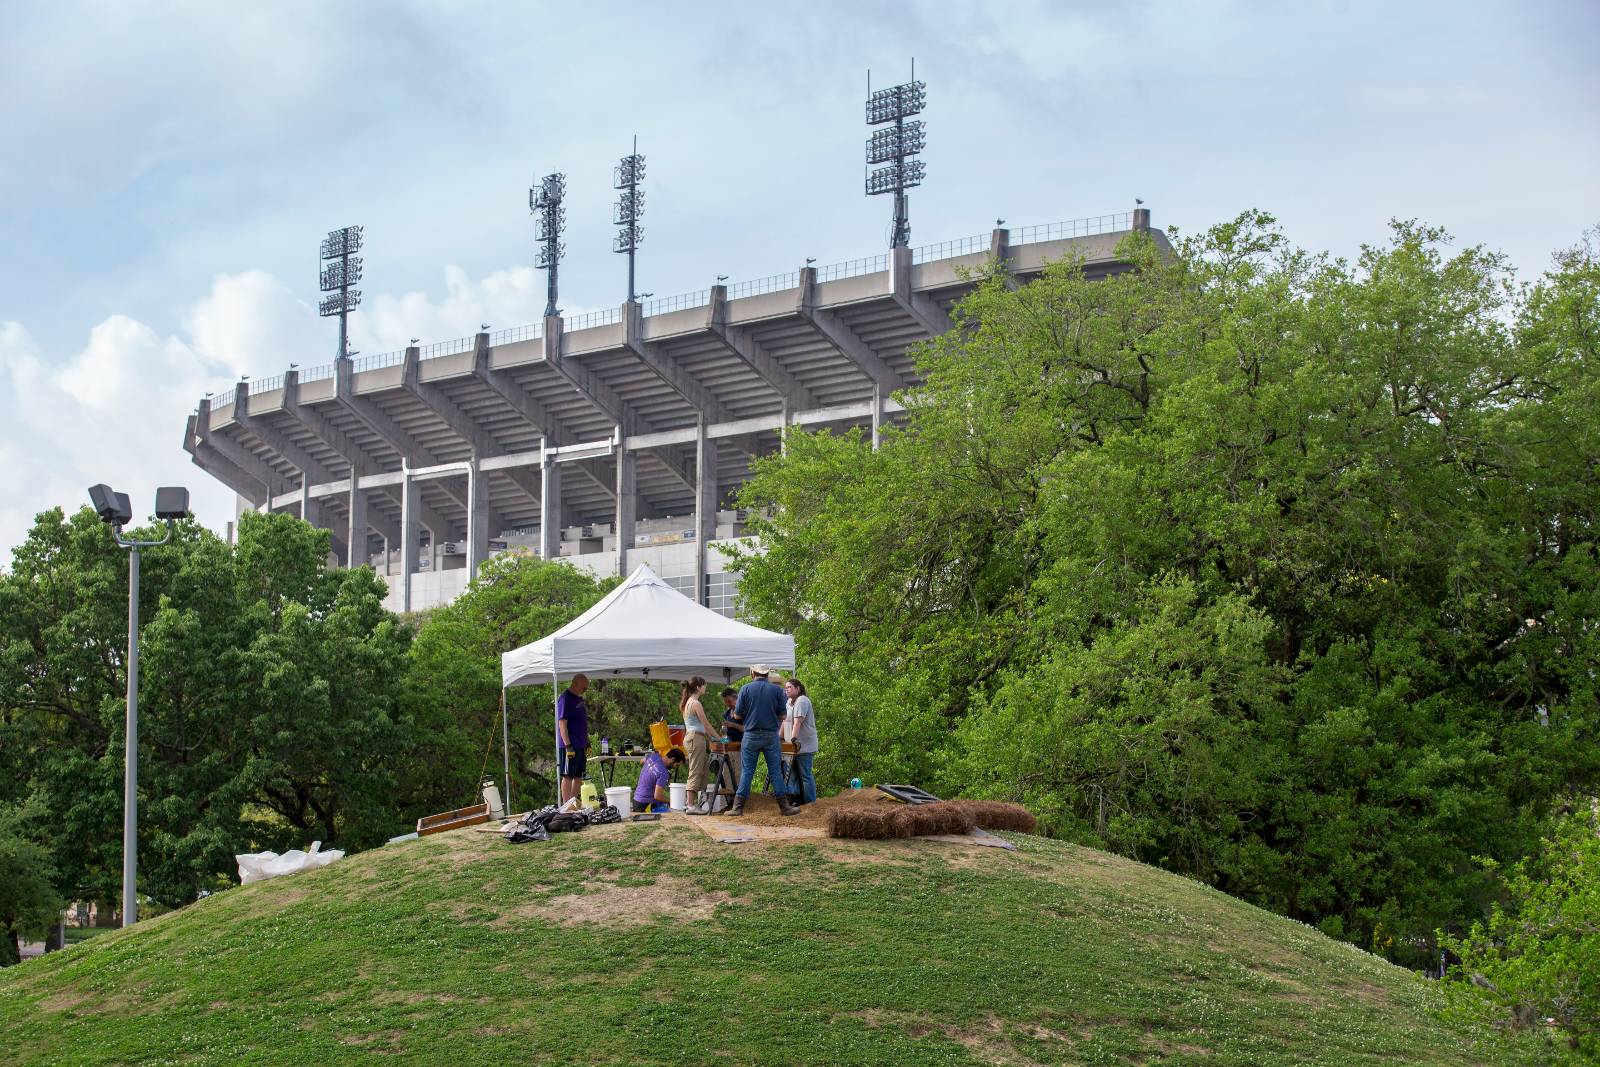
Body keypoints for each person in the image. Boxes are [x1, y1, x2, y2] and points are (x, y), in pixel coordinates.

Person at [727, 665, 797, 817]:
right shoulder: (778, 690)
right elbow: (783, 716)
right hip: (771, 736)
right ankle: (785, 808)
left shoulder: (745, 689)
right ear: (767, 674)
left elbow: (737, 716)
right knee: (775, 772)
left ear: (752, 672)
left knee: (747, 772)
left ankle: (737, 808)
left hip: (751, 735)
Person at [680, 676, 716, 809]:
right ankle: (689, 804)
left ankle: (699, 801)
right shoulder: (695, 703)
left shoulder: (688, 702)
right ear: (698, 687)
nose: (705, 688)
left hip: (696, 737)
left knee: (704, 770)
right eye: (704, 685)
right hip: (695, 738)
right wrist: (719, 738)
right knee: (695, 770)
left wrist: (711, 739)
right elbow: (706, 725)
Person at [556, 673, 590, 808]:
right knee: (568, 775)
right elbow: (562, 723)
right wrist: (568, 745)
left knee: (578, 775)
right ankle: (565, 806)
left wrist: (587, 741)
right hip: (570, 745)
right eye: (583, 688)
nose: (584, 691)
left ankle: (573, 803)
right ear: (575, 684)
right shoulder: (565, 699)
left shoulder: (579, 698)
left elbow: (582, 723)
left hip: (581, 744)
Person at [783, 677, 818, 805]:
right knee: (792, 773)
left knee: (805, 774)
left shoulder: (802, 700)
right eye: (785, 687)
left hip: (804, 744)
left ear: (798, 688)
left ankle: (811, 802)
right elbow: (785, 721)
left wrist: (792, 740)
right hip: (795, 744)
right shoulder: (789, 702)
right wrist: (779, 738)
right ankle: (797, 798)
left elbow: (797, 722)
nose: (786, 690)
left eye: (789, 687)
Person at [632, 746, 686, 813]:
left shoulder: (654, 756)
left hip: (636, 799)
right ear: (672, 759)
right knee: (673, 811)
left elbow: (642, 761)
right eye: (677, 765)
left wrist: (652, 772)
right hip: (645, 804)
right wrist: (673, 802)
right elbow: (658, 796)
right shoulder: (663, 772)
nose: (675, 768)